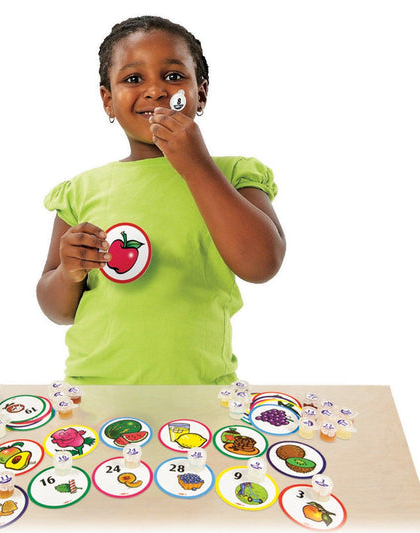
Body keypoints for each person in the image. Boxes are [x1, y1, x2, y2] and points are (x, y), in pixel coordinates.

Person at [37, 16, 286, 385]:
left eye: (172, 76)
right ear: (108, 101)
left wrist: (197, 166)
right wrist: (68, 273)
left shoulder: (233, 175)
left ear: (201, 94)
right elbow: (57, 310)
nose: (155, 91)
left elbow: (261, 264)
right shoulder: (80, 190)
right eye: (133, 79)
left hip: (199, 394)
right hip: (96, 393)